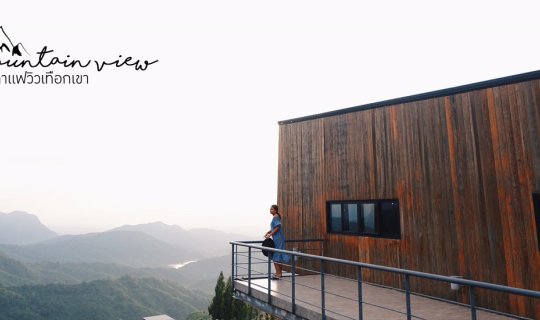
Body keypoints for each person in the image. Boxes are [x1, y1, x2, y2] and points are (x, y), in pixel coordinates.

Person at [264, 204, 289, 279]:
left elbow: (277, 228)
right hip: (277, 238)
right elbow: (274, 227)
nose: (270, 210)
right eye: (270, 209)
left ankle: (278, 274)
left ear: (275, 210)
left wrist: (270, 234)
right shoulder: (275, 217)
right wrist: (268, 232)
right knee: (277, 255)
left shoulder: (275, 217)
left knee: (275, 256)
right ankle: (279, 273)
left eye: (272, 209)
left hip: (278, 239)